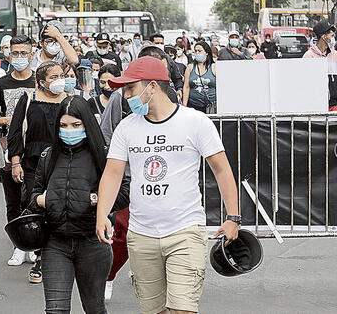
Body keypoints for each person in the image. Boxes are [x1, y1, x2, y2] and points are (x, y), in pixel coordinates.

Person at [95, 56, 240, 314]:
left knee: (182, 309)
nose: (126, 95)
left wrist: (233, 218)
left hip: (185, 231)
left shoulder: (195, 122)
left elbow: (222, 170)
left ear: (152, 87)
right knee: (155, 311)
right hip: (141, 235)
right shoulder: (126, 128)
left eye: (131, 88)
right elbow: (112, 174)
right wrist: (102, 214)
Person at [29, 96, 129, 314]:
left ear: (86, 123)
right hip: (55, 243)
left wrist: (94, 199)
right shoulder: (48, 157)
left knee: (94, 308)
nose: (69, 131)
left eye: (76, 125)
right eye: (63, 126)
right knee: (55, 310)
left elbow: (123, 192)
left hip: (93, 242)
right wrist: (44, 200)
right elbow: (32, 195)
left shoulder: (103, 156)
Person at [8, 61, 67, 284]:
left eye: (61, 75)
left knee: (60, 210)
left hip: (63, 163)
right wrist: (15, 162)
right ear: (41, 82)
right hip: (33, 164)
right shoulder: (29, 99)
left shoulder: (70, 101)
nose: (59, 80)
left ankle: (50, 258)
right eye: (53, 77)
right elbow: (15, 132)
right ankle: (38, 255)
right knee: (37, 207)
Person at [0, 35, 38, 266]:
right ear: (8, 54)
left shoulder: (40, 81)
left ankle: (35, 245)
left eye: (23, 53)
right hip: (9, 148)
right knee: (13, 199)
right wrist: (10, 120)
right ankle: (18, 245)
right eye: (15, 53)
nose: (19, 57)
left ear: (32, 53)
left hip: (37, 149)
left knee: (35, 197)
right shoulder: (1, 84)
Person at [303, 20, 337, 110]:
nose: (334, 39)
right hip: (316, 104)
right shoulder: (309, 56)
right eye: (332, 36)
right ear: (323, 37)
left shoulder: (335, 55)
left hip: (334, 105)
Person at [183, 41, 217, 113]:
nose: (197, 53)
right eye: (195, 51)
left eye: (200, 51)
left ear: (206, 53)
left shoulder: (214, 67)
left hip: (211, 106)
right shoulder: (190, 67)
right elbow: (186, 87)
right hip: (194, 106)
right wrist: (184, 106)